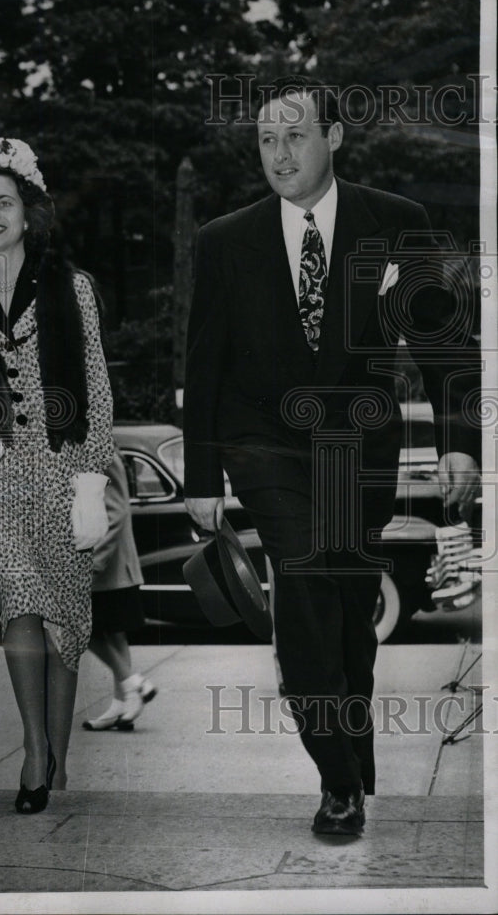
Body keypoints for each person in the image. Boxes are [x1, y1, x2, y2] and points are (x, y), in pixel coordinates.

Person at [183, 76, 481, 836]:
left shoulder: (398, 222)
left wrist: (458, 447)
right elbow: (204, 363)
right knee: (307, 580)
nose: (278, 154)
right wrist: (200, 475)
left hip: (360, 446)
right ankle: (339, 782)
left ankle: (352, 754)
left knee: (348, 615)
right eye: (264, 139)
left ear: (334, 137)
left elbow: (444, 345)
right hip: (262, 442)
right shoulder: (225, 238)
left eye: (294, 135)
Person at [0, 138, 114, 814]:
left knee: (68, 615)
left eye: (5, 202)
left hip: (64, 474)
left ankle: (57, 758)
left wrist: (92, 481)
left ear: (28, 213)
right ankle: (35, 754)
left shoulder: (74, 289)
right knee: (22, 601)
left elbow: (93, 385)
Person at [83, 442, 157, 731]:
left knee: (75, 628)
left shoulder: (99, 451)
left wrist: (93, 563)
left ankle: (134, 683)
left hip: (106, 565)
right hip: (105, 565)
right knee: (113, 635)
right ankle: (123, 702)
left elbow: (116, 513)